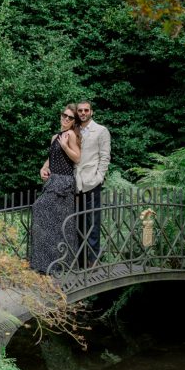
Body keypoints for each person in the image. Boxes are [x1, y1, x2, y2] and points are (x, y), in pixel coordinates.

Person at [31, 105, 81, 274]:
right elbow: (51, 157)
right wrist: (43, 168)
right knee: (50, 221)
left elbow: (77, 157)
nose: (66, 119)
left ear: (74, 121)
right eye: (64, 115)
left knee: (55, 219)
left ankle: (62, 264)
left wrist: (66, 146)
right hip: (53, 181)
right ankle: (45, 264)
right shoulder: (55, 137)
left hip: (64, 183)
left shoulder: (72, 135)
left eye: (70, 117)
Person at [73, 100, 110, 267]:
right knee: (78, 221)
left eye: (86, 110)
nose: (83, 113)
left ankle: (93, 260)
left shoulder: (101, 131)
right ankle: (80, 260)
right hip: (75, 182)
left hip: (92, 181)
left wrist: (99, 177)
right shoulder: (74, 130)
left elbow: (105, 156)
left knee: (92, 221)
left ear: (91, 112)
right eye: (80, 110)